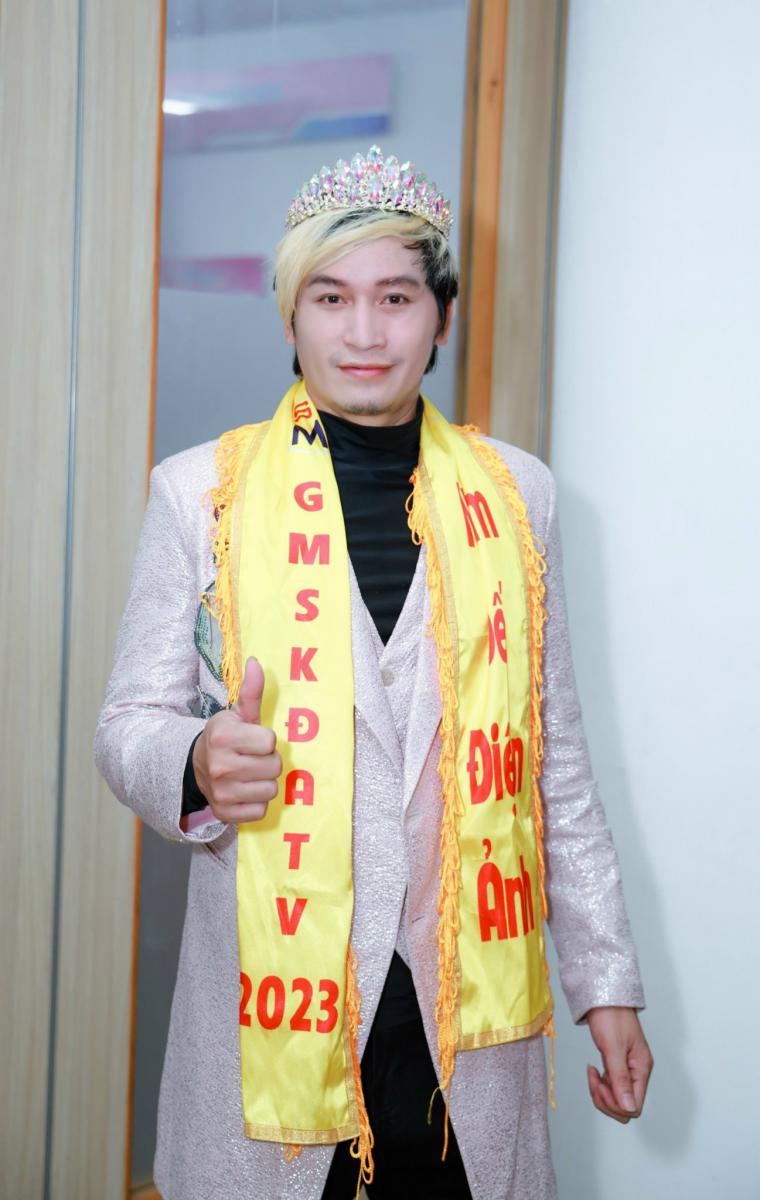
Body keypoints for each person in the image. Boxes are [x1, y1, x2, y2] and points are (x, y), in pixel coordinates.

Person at [95, 145, 652, 1200]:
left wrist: (606, 983)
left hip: (465, 1022)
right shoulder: (200, 495)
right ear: (290, 315)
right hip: (274, 1014)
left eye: (395, 297)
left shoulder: (517, 497)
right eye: (331, 297)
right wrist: (197, 759)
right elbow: (128, 723)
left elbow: (557, 767)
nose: (363, 332)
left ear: (440, 318)